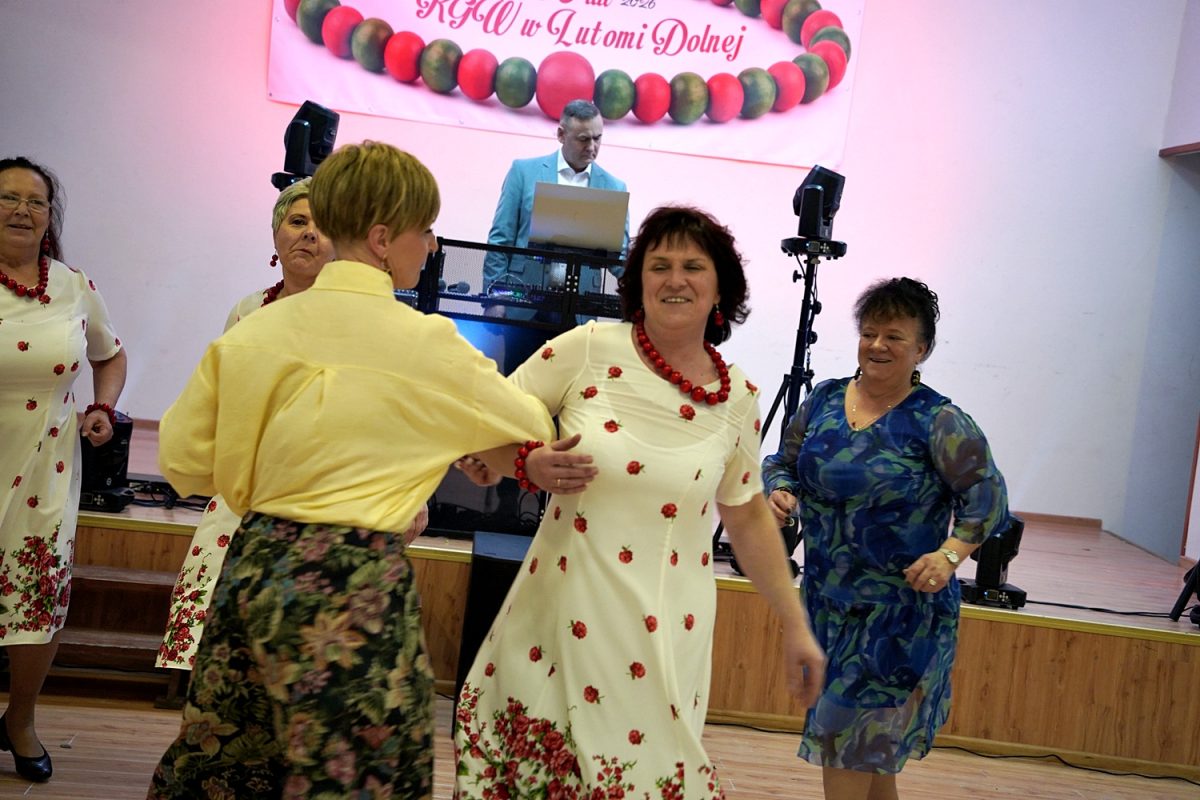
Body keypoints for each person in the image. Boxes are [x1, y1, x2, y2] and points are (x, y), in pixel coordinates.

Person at [147, 141, 555, 799]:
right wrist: (444, 440)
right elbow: (532, 425)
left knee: (228, 764)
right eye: (426, 230)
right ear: (383, 239)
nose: (432, 245)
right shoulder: (425, 343)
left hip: (253, 566)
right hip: (352, 582)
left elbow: (183, 462)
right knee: (356, 775)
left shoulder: (254, 331)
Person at [453, 206, 826, 799]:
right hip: (562, 614)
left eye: (692, 267)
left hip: (668, 629)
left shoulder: (739, 398)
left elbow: (748, 515)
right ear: (638, 281)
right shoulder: (585, 349)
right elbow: (478, 426)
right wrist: (526, 463)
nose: (675, 279)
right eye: (659, 265)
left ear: (720, 288)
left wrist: (794, 622)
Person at [761, 277, 1008, 800]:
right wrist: (780, 491)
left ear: (922, 349)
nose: (877, 345)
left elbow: (987, 497)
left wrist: (949, 555)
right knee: (868, 757)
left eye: (894, 336)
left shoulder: (939, 421)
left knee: (845, 745)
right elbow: (782, 461)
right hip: (826, 603)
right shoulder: (824, 400)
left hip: (896, 618)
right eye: (869, 333)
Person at [156, 177, 339, 670]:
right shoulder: (247, 310)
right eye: (297, 221)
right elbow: (218, 397)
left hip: (316, 494)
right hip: (242, 486)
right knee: (215, 636)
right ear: (276, 234)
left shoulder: (355, 317)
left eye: (322, 226)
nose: (309, 234)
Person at [0, 156, 127, 783]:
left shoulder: (74, 286)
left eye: (36, 201)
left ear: (50, 216)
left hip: (46, 465)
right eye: (8, 197)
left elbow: (111, 354)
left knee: (38, 598)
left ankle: (20, 720)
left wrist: (102, 406)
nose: (22, 210)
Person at [482, 99, 629, 307]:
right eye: (583, 139)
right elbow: (500, 240)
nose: (592, 147)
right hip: (523, 300)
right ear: (561, 134)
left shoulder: (614, 187)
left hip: (581, 306)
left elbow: (619, 258)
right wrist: (494, 299)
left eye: (597, 138)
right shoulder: (523, 172)